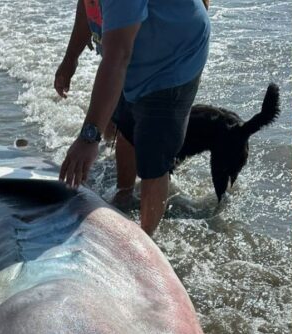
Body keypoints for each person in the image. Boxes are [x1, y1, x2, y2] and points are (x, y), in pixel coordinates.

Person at [55, 0, 209, 237]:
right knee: (126, 127)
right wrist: (70, 57)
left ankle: (145, 239)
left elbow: (118, 58)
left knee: (153, 159)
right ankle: (124, 193)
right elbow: (87, 5)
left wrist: (89, 138)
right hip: (135, 53)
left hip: (174, 60)